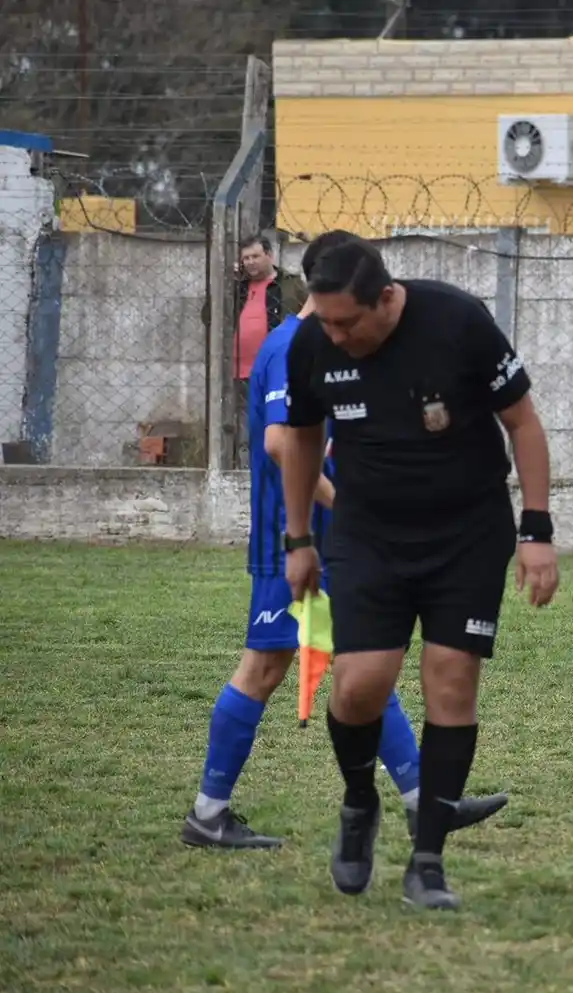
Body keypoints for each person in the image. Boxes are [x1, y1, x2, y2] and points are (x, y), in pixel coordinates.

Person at [180, 230, 508, 851]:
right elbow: (281, 444)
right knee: (266, 666)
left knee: (363, 669)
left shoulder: (335, 345)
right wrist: (348, 509)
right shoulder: (293, 346)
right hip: (297, 540)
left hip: (341, 543)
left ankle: (420, 799)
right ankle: (208, 812)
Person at [278, 235, 560, 911]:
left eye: (347, 322)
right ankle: (359, 801)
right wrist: (299, 537)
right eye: (325, 321)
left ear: (386, 298)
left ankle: (427, 861)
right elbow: (304, 438)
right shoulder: (313, 342)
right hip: (369, 534)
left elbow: (523, 422)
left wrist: (537, 530)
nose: (335, 335)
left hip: (468, 533)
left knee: (451, 682)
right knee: (358, 686)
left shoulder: (457, 320)